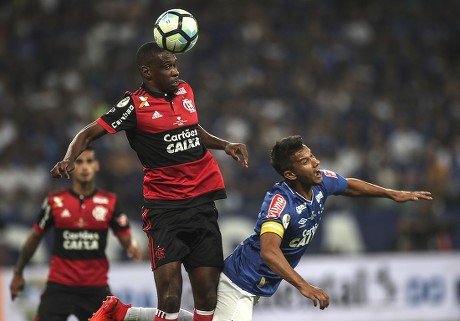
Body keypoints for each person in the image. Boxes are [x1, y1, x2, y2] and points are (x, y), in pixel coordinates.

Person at [88, 135, 432, 321]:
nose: (316, 163)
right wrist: (304, 286)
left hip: (251, 285)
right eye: (306, 161)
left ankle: (122, 312)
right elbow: (269, 250)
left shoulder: (321, 182)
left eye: (312, 156)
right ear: (289, 174)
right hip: (240, 285)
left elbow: (350, 184)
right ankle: (122, 313)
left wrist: (392, 193)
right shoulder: (280, 203)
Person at [50, 41, 249, 321]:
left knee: (207, 295)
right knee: (168, 298)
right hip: (165, 210)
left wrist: (224, 144)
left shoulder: (185, 91)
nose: (175, 72)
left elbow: (190, 127)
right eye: (167, 66)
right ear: (147, 72)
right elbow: (88, 133)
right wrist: (69, 158)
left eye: (175, 65)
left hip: (202, 204)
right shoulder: (133, 105)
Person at [10, 147, 143, 321]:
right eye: (79, 162)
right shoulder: (55, 201)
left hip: (95, 289)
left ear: (97, 166)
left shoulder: (109, 202)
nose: (85, 167)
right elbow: (35, 237)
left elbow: (125, 238)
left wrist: (132, 247)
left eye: (89, 161)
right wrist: (18, 272)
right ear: (71, 167)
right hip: (60, 287)